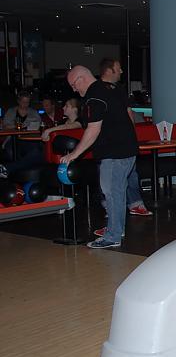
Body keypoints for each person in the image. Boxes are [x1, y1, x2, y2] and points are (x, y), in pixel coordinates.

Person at [62, 65, 138, 250]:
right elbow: (129, 115)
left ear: (81, 78)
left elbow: (93, 129)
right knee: (117, 192)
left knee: (112, 193)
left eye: (73, 85)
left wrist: (74, 154)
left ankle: (112, 236)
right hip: (127, 149)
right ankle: (116, 229)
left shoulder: (94, 96)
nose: (74, 90)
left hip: (114, 153)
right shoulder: (111, 88)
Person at [98, 57, 152, 222]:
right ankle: (112, 210)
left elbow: (129, 114)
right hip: (107, 145)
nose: (121, 71)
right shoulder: (97, 90)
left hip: (123, 144)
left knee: (130, 176)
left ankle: (132, 205)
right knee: (110, 182)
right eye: (118, 68)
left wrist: (131, 137)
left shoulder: (119, 89)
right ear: (109, 70)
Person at [0, 98, 84, 179]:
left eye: (66, 106)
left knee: (36, 152)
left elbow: (76, 125)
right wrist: (49, 135)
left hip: (62, 154)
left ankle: (7, 168)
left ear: (74, 109)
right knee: (27, 145)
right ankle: (11, 170)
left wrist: (49, 130)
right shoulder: (62, 122)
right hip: (50, 149)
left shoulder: (80, 121)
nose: (63, 108)